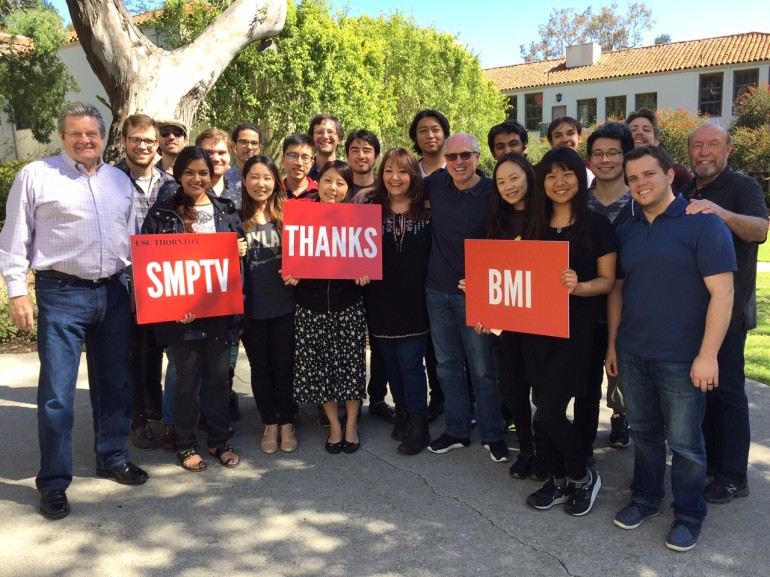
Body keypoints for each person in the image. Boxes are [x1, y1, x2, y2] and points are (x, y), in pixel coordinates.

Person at [0, 102, 148, 520]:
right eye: (76, 133)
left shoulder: (118, 180)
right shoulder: (36, 176)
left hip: (115, 291)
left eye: (92, 134)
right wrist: (16, 292)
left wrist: (140, 288)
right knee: (56, 395)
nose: (85, 140)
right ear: (62, 136)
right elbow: (13, 239)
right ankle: (53, 482)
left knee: (115, 382)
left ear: (104, 137)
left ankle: (112, 455)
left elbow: (132, 238)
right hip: (61, 293)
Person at [606, 145, 736, 552]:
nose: (641, 183)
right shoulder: (625, 230)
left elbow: (723, 294)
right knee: (644, 433)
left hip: (684, 358)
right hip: (632, 351)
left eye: (649, 174)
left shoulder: (704, 224)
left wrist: (708, 354)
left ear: (669, 175)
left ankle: (689, 513)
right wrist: (612, 344)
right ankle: (645, 498)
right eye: (633, 178)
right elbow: (618, 291)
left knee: (685, 443)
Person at [521, 146, 615, 516]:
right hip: (535, 329)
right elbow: (516, 278)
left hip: (576, 329)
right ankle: (557, 481)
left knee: (549, 410)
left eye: (567, 173)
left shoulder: (597, 225)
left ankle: (582, 477)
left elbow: (608, 282)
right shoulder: (534, 226)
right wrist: (485, 298)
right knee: (540, 405)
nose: (559, 182)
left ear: (581, 177)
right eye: (550, 175)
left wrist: (580, 286)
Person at [142, 146, 246, 473]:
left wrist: (241, 248)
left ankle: (219, 440)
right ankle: (186, 443)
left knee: (218, 380)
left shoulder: (227, 210)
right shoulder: (161, 215)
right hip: (180, 317)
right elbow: (152, 268)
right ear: (179, 174)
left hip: (219, 312)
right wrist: (175, 304)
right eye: (190, 172)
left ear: (211, 174)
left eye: (203, 172)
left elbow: (237, 261)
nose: (197, 178)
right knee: (187, 382)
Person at [681, 123, 769, 504]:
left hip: (728, 315)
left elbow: (760, 230)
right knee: (698, 394)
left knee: (727, 395)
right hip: (687, 315)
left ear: (728, 150)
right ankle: (707, 465)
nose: (704, 151)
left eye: (712, 144)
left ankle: (733, 475)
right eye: (697, 145)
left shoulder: (743, 187)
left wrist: (721, 213)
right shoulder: (683, 191)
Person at [424, 133, 509, 463]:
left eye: (466, 156)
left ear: (477, 157)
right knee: (447, 366)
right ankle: (457, 430)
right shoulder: (434, 185)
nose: (459, 162)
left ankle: (492, 433)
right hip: (436, 291)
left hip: (477, 294)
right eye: (452, 157)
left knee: (483, 369)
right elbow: (395, 191)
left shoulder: (493, 192)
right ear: (445, 159)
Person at [287, 161, 369, 454]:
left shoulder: (359, 219)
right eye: (327, 181)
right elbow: (291, 256)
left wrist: (364, 272)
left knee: (351, 366)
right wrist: (291, 272)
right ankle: (334, 425)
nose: (332, 188)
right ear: (317, 183)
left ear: (348, 189)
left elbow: (366, 256)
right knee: (320, 368)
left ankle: (351, 425)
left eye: (340, 183)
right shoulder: (300, 215)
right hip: (311, 306)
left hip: (348, 304)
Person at [466, 153, 540, 478]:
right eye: (501, 181)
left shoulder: (548, 218)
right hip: (505, 327)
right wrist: (479, 298)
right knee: (513, 389)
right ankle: (526, 449)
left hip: (542, 323)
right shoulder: (496, 221)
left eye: (514, 178)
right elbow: (491, 274)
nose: (508, 186)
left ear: (528, 177)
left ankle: (547, 450)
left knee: (546, 394)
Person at [364, 148, 432, 454]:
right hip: (379, 300)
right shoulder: (370, 211)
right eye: (389, 171)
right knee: (390, 363)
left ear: (413, 176)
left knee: (411, 364)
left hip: (416, 302)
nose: (395, 178)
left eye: (402, 171)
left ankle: (420, 425)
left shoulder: (428, 211)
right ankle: (402, 412)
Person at [115, 113, 175, 450]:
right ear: (125, 141)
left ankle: (153, 404)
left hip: (163, 280)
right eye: (136, 139)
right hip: (124, 278)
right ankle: (137, 418)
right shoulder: (108, 180)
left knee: (155, 348)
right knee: (131, 352)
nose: (142, 146)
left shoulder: (170, 184)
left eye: (149, 141)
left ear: (158, 145)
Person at [580, 121, 635, 458]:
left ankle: (622, 418)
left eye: (613, 152)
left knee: (625, 384)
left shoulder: (642, 201)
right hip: (585, 309)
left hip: (632, 312)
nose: (605, 159)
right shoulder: (577, 203)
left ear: (626, 156)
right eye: (598, 153)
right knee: (587, 385)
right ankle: (583, 448)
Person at [239, 155, 298, 454]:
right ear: (245, 180)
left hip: (285, 307)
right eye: (254, 177)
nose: (260, 184)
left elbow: (308, 256)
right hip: (252, 310)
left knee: (283, 367)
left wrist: (299, 273)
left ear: (276, 181)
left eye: (267, 178)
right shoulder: (233, 218)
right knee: (260, 369)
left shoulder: (290, 215)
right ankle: (269, 423)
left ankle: (286, 421)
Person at [625, 108, 690, 193]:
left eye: (646, 130)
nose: (639, 132)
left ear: (656, 140)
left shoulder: (677, 172)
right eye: (633, 130)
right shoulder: (616, 176)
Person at [545, 116, 594, 183]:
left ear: (579, 138)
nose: (565, 139)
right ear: (551, 143)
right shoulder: (542, 172)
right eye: (558, 135)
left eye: (570, 133)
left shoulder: (593, 169)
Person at [409, 109, 450, 178]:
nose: (430, 136)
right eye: (423, 131)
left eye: (435, 130)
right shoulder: (410, 174)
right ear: (415, 137)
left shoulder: (457, 170)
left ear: (445, 134)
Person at [281, 133, 319, 200]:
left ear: (312, 163)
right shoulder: (273, 192)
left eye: (305, 157)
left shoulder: (320, 194)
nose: (299, 163)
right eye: (293, 155)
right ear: (283, 159)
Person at [307, 114, 344, 181]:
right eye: (319, 132)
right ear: (312, 138)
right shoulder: (303, 172)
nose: (325, 136)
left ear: (339, 139)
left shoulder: (347, 174)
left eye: (330, 132)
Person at [225, 122, 263, 187]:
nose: (249, 147)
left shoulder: (268, 180)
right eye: (243, 142)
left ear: (259, 148)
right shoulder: (223, 179)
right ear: (234, 145)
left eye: (254, 143)